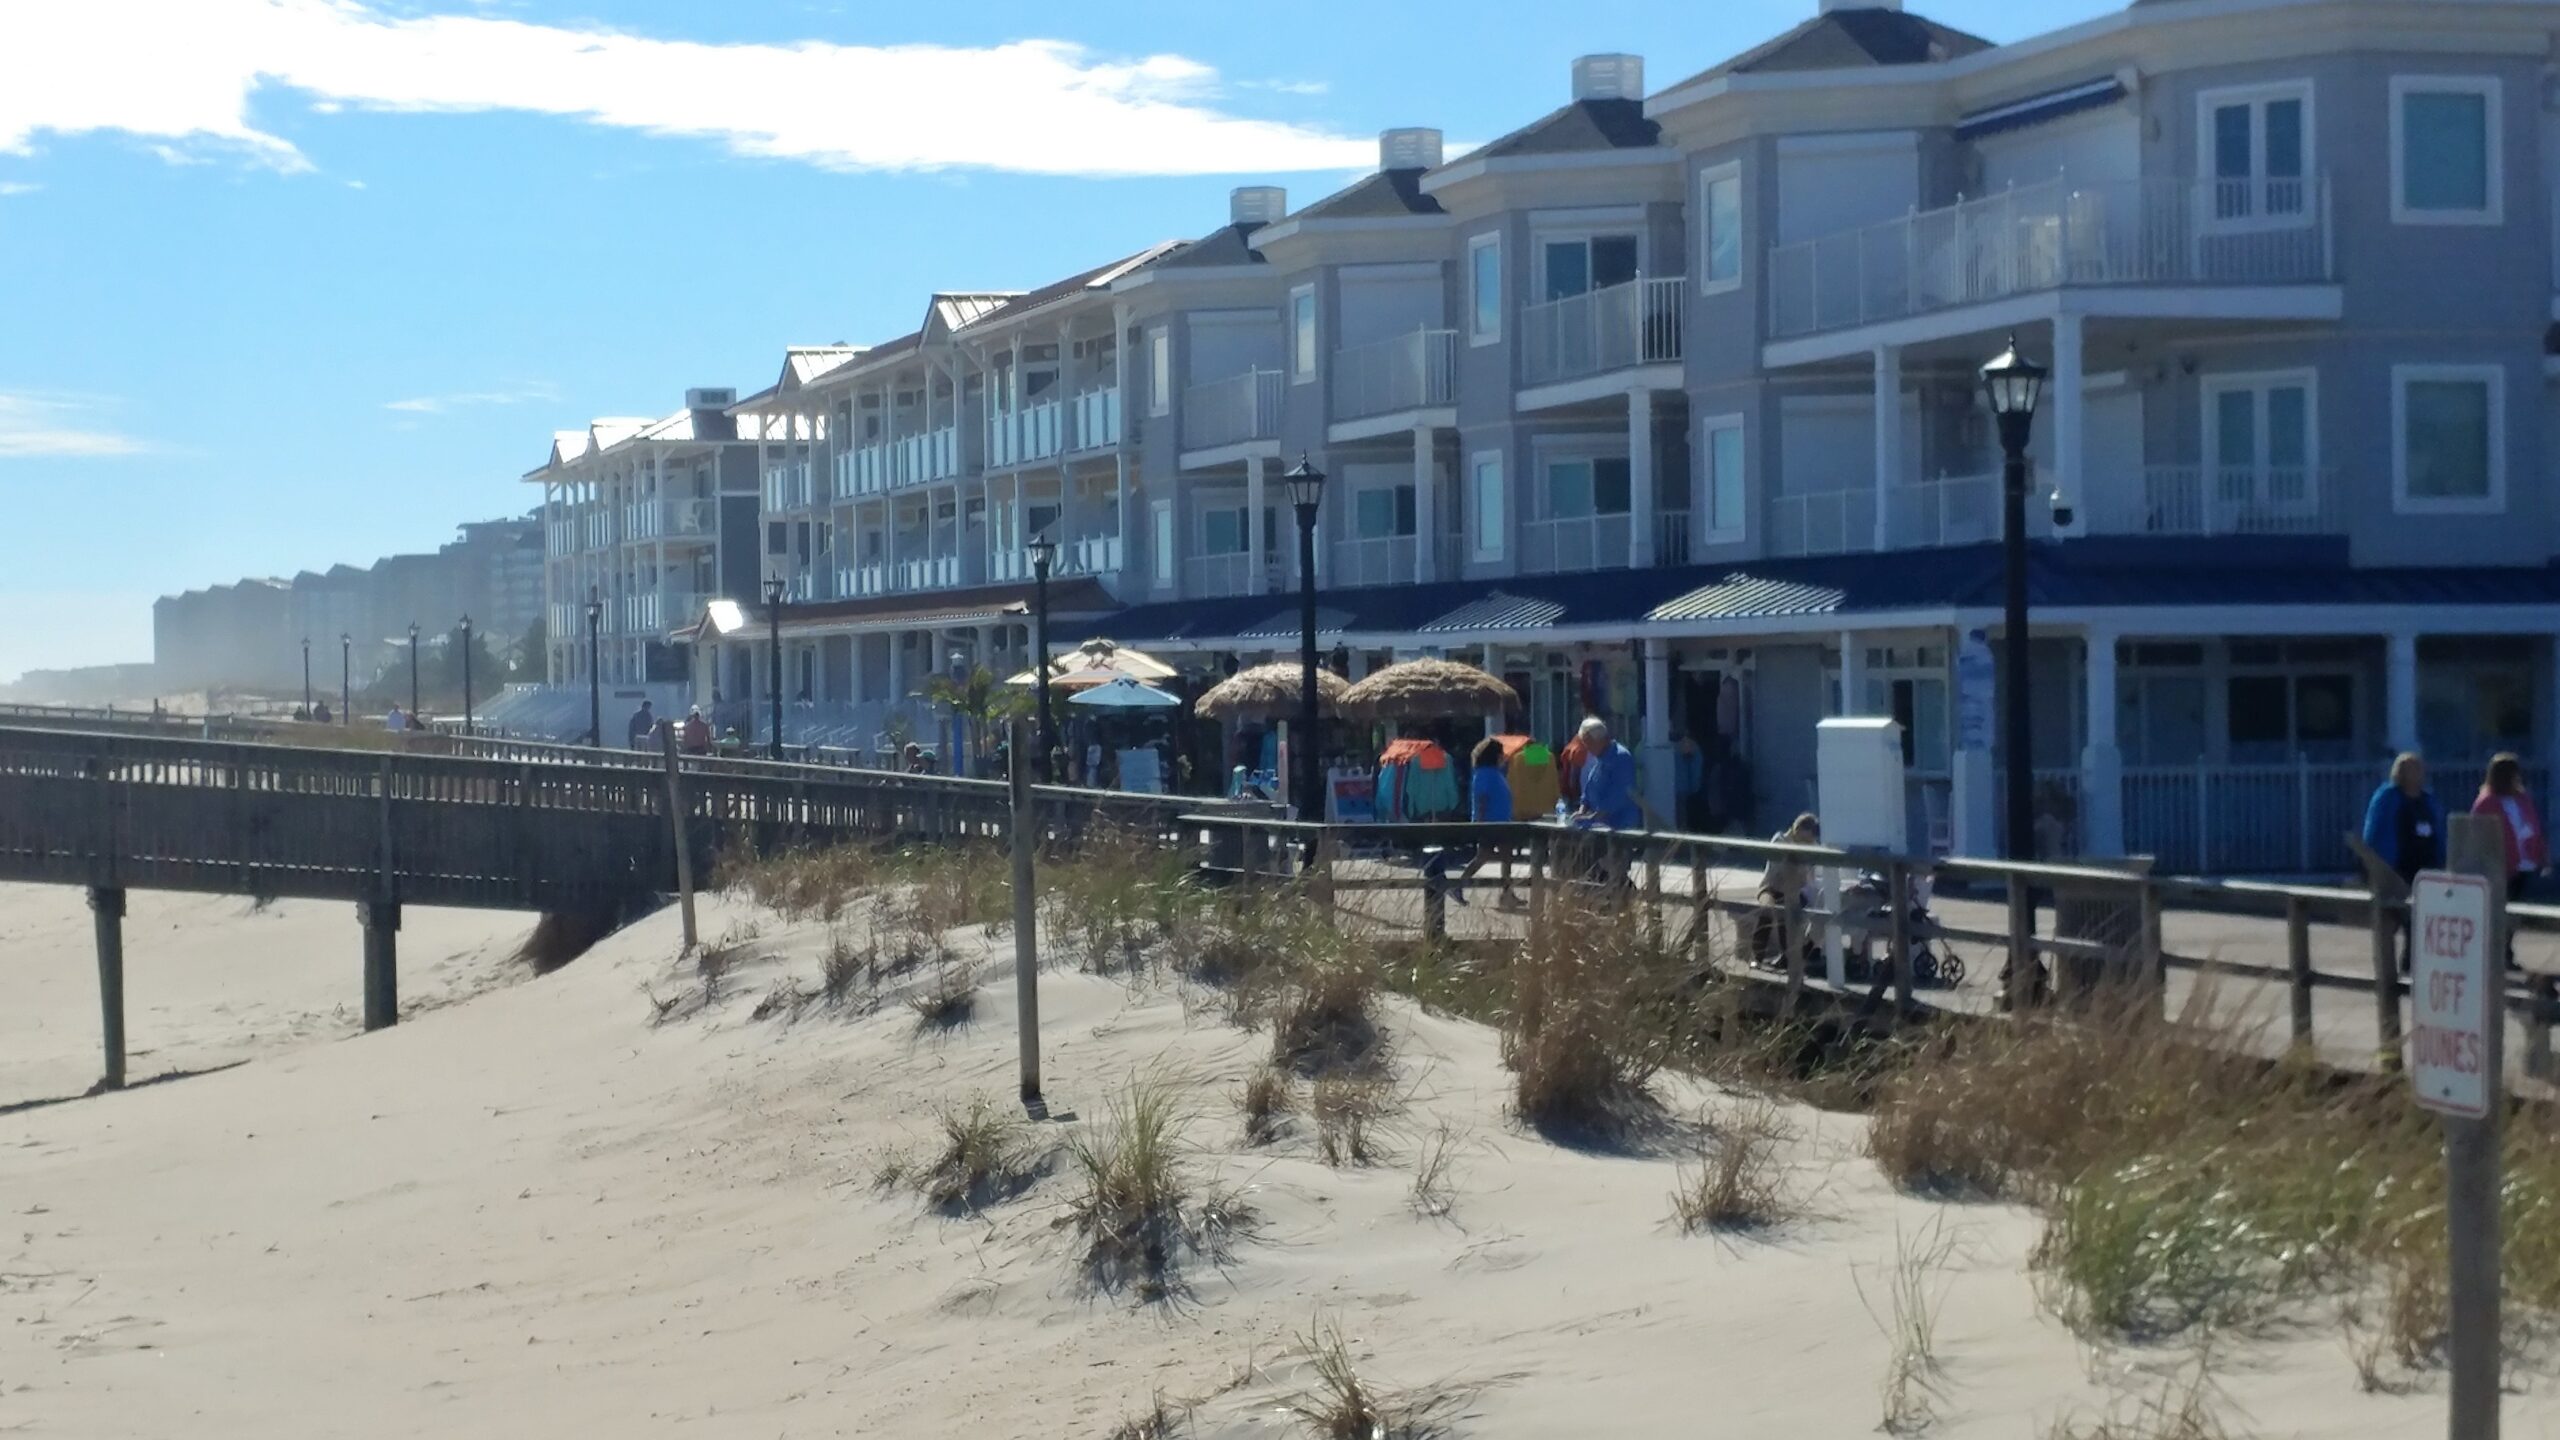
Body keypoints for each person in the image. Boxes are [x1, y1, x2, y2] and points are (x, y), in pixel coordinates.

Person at [2362, 751, 2444, 973]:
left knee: (2421, 922)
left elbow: (2439, 832)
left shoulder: (2428, 800)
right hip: (2396, 870)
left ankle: (2413, 966)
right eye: (2411, 768)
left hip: (2426, 870)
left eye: (2419, 768)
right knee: (2399, 920)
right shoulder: (2387, 798)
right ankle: (2394, 973)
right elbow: (2375, 834)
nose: (2417, 773)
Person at [2474, 753, 2546, 965]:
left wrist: (2542, 853)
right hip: (2501, 866)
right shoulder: (2486, 802)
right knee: (2499, 912)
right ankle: (2496, 954)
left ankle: (2506, 951)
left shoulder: (2522, 798)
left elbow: (2534, 826)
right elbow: (2479, 834)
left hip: (2526, 862)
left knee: (2515, 913)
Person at [1455, 736, 1522, 909]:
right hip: (1490, 823)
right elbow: (1482, 799)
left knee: (1507, 858)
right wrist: (1481, 824)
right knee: (1483, 857)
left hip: (1502, 822)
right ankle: (1459, 885)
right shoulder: (1484, 774)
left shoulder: (1495, 773)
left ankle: (1507, 893)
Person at [1747, 813, 1822, 966]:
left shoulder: (1812, 846)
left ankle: (1788, 957)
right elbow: (1778, 872)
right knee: (1767, 911)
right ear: (1799, 830)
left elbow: (1808, 876)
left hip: (1797, 890)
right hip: (1771, 887)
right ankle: (1757, 956)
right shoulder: (1780, 840)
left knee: (1789, 911)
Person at [1571, 717, 1644, 830]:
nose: (1587, 748)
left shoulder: (1621, 757)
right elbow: (1589, 788)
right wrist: (1582, 811)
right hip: (1599, 826)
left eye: (1589, 743)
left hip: (1620, 827)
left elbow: (1619, 795)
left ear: (1601, 740)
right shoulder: (1598, 759)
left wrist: (1592, 818)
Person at [1674, 731, 1706, 831]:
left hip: (1679, 789)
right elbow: (1696, 770)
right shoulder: (1691, 747)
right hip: (1684, 788)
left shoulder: (1676, 748)